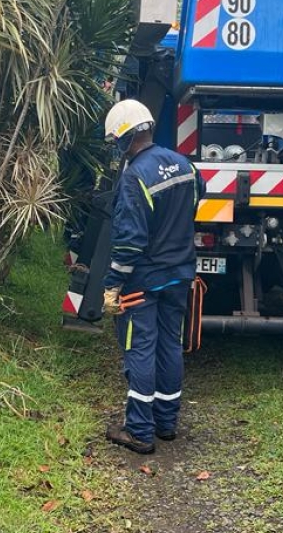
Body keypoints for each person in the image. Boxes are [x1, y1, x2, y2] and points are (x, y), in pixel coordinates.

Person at [101, 99, 203, 455]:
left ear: (125, 139)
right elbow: (194, 207)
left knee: (140, 347)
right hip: (180, 274)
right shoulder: (185, 166)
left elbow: (129, 242)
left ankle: (140, 431)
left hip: (143, 281)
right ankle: (166, 422)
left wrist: (113, 283)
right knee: (169, 344)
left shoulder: (134, 178)